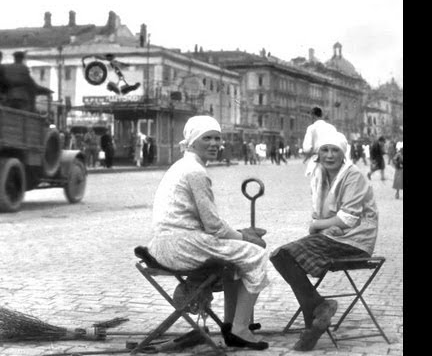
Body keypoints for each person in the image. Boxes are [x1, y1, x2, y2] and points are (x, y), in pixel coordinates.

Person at [146, 115, 272, 350]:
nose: (214, 144)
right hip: (180, 246)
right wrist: (246, 237)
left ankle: (230, 324)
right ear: (192, 141)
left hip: (171, 242)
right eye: (208, 138)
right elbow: (213, 226)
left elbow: (208, 222)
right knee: (255, 254)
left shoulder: (184, 165)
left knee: (236, 258)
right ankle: (240, 329)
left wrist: (238, 233)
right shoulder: (195, 171)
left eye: (217, 138)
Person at [270, 131, 378, 351]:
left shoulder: (353, 175)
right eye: (325, 150)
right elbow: (321, 215)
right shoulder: (320, 175)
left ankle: (317, 314)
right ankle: (318, 313)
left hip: (355, 240)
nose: (329, 155)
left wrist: (316, 226)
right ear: (318, 153)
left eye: (335, 150)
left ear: (343, 152)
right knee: (281, 255)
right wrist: (322, 226)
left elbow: (347, 219)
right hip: (334, 237)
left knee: (284, 255)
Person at [302, 107, 337, 176]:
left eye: (310, 117)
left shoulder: (311, 128)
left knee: (317, 184)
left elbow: (307, 148)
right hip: (331, 160)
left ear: (313, 116)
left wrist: (307, 157)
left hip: (318, 159)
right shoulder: (331, 127)